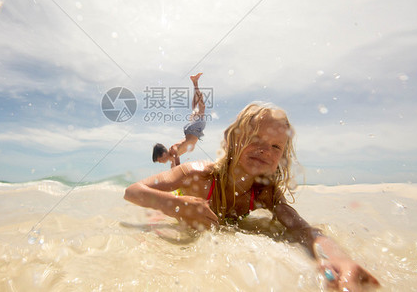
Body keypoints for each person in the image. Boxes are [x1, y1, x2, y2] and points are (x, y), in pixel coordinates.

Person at [126, 102, 380, 291]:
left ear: (281, 158)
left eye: (275, 146)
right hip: (179, 206)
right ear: (233, 141)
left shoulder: (264, 193)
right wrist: (177, 206)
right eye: (256, 139)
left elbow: (303, 229)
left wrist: (339, 259)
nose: (264, 150)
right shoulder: (200, 174)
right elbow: (134, 191)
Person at [152, 73, 207, 168]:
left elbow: (178, 167)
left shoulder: (173, 150)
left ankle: (195, 83)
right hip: (191, 132)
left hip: (193, 131)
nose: (160, 162)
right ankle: (195, 83)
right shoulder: (172, 157)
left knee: (202, 107)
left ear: (163, 154)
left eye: (159, 160)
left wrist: (175, 167)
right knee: (195, 109)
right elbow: (174, 166)